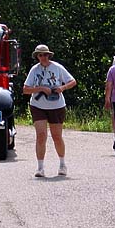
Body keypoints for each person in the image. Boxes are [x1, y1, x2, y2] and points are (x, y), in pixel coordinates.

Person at [23, 44, 77, 177]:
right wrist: (40, 89)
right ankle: (40, 167)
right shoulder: (34, 70)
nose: (43, 57)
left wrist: (62, 88)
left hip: (56, 105)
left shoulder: (57, 68)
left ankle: (62, 164)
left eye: (45, 55)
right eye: (40, 55)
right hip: (38, 105)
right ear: (37, 57)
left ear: (49, 55)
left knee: (57, 136)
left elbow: (72, 81)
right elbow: (25, 89)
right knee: (41, 135)